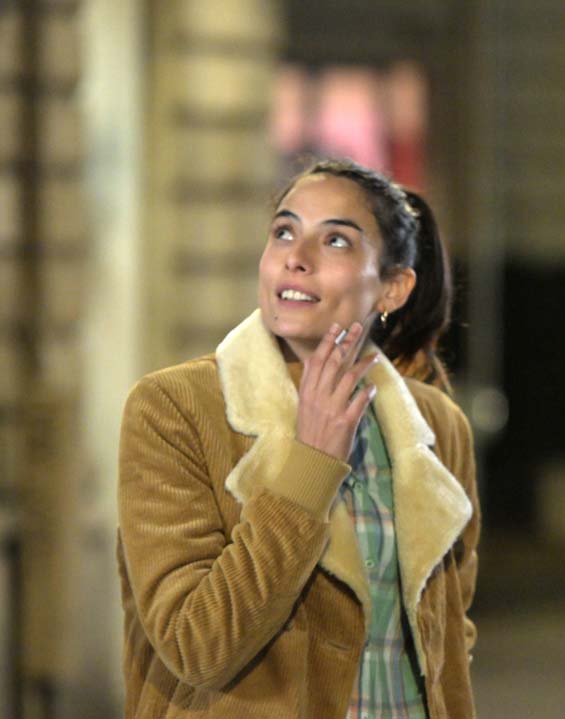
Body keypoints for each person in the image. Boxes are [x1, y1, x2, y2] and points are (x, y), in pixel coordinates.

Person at [117, 159, 480, 719]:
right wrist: (311, 463)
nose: (297, 257)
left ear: (392, 288)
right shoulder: (174, 408)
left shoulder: (435, 427)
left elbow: (451, 631)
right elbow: (197, 646)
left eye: (335, 240)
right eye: (284, 232)